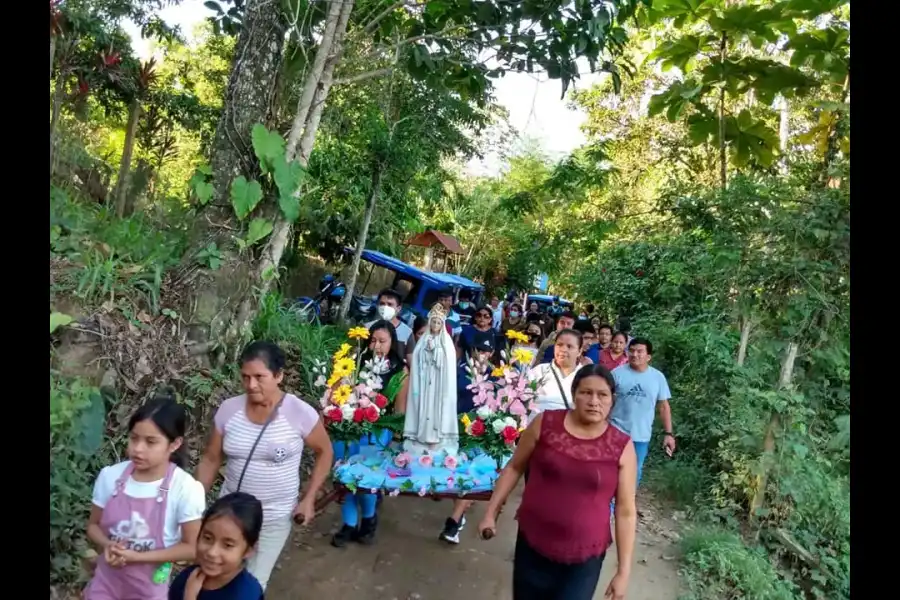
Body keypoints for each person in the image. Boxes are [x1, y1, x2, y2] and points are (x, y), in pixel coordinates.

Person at [478, 364, 638, 600]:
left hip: (584, 558)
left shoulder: (622, 446)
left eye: (602, 394)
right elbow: (515, 467)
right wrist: (491, 512)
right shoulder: (545, 424)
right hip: (533, 544)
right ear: (574, 394)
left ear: (612, 399)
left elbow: (625, 511)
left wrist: (623, 572)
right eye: (586, 392)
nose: (594, 401)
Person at [196, 341, 334, 591]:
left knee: (253, 583)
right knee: (217, 576)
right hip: (230, 517)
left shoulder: (299, 413)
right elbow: (211, 459)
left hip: (274, 517)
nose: (251, 385)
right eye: (245, 377)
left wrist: (308, 498)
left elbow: (325, 452)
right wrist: (193, 501)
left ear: (279, 375)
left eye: (259, 377)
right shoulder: (229, 411)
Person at [85, 394, 206, 600]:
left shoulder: (186, 489)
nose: (138, 449)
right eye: (134, 438)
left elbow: (191, 548)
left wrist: (138, 558)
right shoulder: (110, 476)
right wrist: (108, 546)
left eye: (151, 442)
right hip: (105, 584)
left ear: (174, 444)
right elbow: (93, 527)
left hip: (148, 591)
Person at [331, 320, 410, 548]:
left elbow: (399, 410)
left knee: (366, 478)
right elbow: (338, 392)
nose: (376, 346)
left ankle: (368, 520)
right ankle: (348, 524)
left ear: (392, 343)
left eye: (382, 341)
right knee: (344, 476)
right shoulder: (356, 362)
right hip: (347, 427)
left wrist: (396, 437)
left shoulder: (400, 370)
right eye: (373, 340)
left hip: (377, 430)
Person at [440, 330, 497, 544]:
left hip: (483, 435)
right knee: (456, 474)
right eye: (478, 349)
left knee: (475, 476)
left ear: (492, 352)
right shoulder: (458, 372)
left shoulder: (497, 376)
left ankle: (454, 521)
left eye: (486, 350)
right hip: (455, 430)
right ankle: (459, 513)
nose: (482, 353)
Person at [168, 493, 264, 600]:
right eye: (208, 538)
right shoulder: (190, 577)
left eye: (227, 545)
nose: (212, 552)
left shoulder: (247, 595)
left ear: (249, 550)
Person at [609, 337, 676, 488]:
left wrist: (669, 434)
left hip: (641, 435)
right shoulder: (616, 374)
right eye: (631, 351)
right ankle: (609, 507)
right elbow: (606, 400)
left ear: (648, 356)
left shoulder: (657, 377)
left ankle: (626, 505)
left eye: (640, 351)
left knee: (634, 472)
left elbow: (664, 406)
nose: (635, 354)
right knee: (611, 469)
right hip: (615, 432)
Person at [403, 303, 459, 456]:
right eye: (433, 322)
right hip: (425, 382)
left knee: (437, 410)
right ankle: (420, 437)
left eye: (438, 322)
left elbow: (448, 363)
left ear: (443, 324)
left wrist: (436, 352)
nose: (435, 325)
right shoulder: (423, 341)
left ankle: (438, 440)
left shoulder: (446, 343)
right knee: (424, 407)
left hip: (439, 384)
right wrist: (426, 352)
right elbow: (417, 359)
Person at [527, 328, 584, 423]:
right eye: (559, 345)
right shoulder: (540, 371)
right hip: (535, 429)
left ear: (579, 351)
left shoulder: (585, 376)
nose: (563, 349)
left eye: (569, 346)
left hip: (568, 431)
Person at [365, 288, 413, 355]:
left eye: (390, 304)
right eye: (382, 303)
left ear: (399, 308)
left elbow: (410, 359)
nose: (385, 307)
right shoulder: (367, 327)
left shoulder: (407, 332)